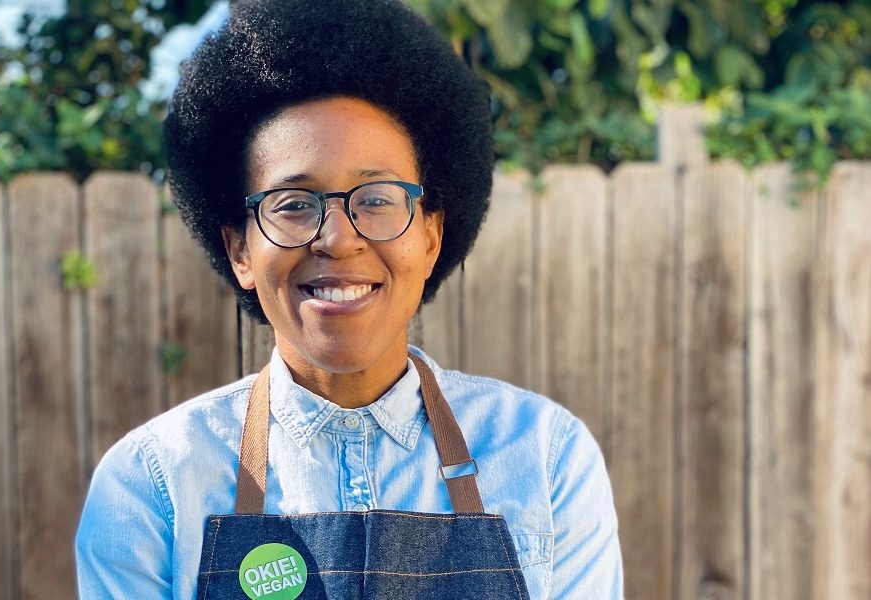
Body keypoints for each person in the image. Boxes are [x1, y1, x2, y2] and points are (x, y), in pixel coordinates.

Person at [75, 0, 623, 598]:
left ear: (431, 237)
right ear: (240, 251)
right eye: (292, 204)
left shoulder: (546, 459)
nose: (338, 239)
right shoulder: (151, 484)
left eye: (378, 199)